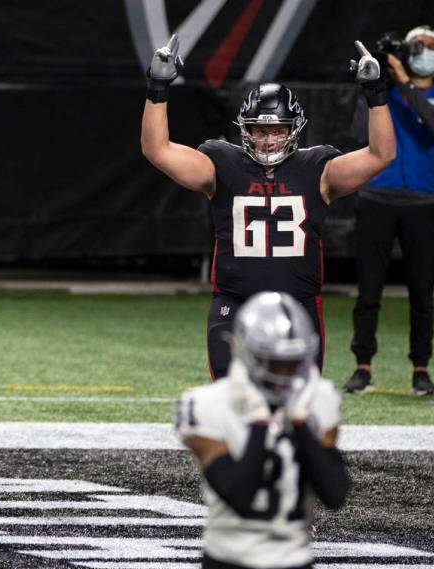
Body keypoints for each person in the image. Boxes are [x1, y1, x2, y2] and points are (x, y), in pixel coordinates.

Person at [141, 35, 395, 379]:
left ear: (294, 130)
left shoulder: (318, 169)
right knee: (231, 404)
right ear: (246, 130)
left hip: (299, 306)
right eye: (260, 130)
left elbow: (382, 155)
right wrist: (158, 86)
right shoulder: (222, 163)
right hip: (235, 303)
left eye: (277, 130)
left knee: (299, 407)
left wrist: (376, 93)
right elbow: (157, 150)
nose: (268, 139)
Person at [174, 291, 350, 569]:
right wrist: (259, 422)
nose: (285, 373)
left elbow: (335, 493)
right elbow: (239, 492)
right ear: (248, 352)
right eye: (275, 362)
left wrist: (301, 424)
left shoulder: (319, 399)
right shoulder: (207, 405)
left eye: (293, 362)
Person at [344, 25, 434, 395]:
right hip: (377, 197)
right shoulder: (385, 94)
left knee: (422, 292)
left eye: (429, 47)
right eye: (415, 46)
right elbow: (358, 131)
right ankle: (362, 366)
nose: (421, 51)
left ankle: (421, 369)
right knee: (369, 289)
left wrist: (405, 82)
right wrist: (376, 84)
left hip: (421, 203)